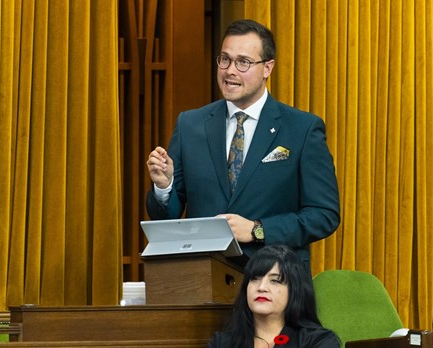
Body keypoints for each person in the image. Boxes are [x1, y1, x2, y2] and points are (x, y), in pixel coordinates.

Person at [145, 18, 340, 265]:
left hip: (275, 281)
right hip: (203, 281)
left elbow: (324, 215)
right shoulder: (190, 124)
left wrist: (257, 230)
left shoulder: (302, 128)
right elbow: (168, 218)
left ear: (267, 68)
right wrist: (164, 188)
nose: (230, 71)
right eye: (224, 59)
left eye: (243, 62)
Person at [207, 244, 341, 347]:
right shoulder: (222, 342)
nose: (262, 288)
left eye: (275, 281)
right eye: (255, 279)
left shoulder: (318, 341)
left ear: (295, 290)